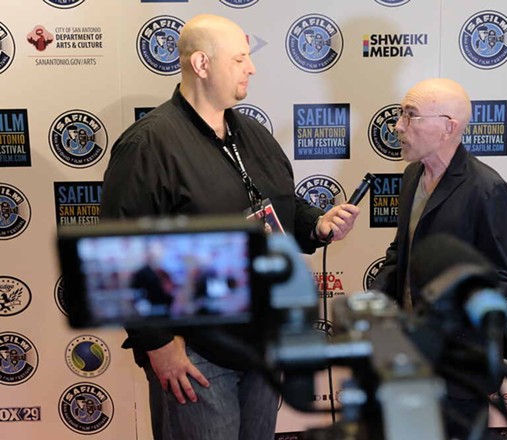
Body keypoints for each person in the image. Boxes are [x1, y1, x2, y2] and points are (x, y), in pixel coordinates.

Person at [100, 14, 359, 440]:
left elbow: (276, 206)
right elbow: (118, 251)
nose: (251, 68)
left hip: (261, 344)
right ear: (202, 65)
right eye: (239, 59)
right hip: (195, 352)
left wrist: (316, 225)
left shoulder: (252, 133)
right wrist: (158, 344)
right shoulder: (148, 145)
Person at [370, 78, 507, 439]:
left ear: (448, 127)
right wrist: (374, 301)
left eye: (410, 116)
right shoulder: (411, 177)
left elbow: (503, 279)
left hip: (457, 361)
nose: (398, 127)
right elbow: (398, 253)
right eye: (400, 115)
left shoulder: (488, 189)